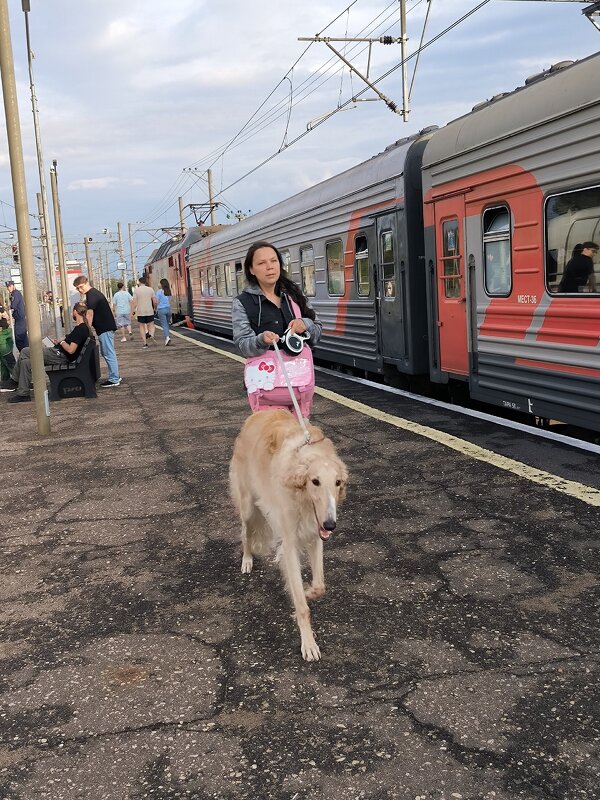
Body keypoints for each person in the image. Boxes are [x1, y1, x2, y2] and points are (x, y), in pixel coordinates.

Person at [232, 241, 322, 414]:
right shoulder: (242, 302)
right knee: (272, 438)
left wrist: (305, 324)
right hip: (267, 390)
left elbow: (317, 332)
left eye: (274, 261)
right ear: (251, 270)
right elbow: (242, 344)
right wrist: (261, 340)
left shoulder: (294, 295)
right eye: (261, 263)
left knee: (298, 438)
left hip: (299, 387)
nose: (269, 267)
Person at [1, 301, 91, 403]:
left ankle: (14, 381)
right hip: (59, 353)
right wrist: (59, 342)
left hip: (60, 356)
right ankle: (23, 394)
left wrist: (61, 342)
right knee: (26, 363)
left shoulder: (80, 329)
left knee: (25, 351)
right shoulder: (83, 328)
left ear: (75, 312)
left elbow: (71, 350)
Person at [73, 275, 121, 387]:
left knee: (108, 353)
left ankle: (114, 378)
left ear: (86, 282)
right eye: (78, 288)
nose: (80, 290)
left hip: (105, 328)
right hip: (105, 327)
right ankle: (115, 376)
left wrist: (87, 329)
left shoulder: (91, 295)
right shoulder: (93, 294)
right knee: (107, 352)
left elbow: (90, 314)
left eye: (81, 286)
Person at [131, 275, 157, 348]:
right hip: (149, 310)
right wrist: (155, 308)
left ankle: (145, 343)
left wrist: (132, 312)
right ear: (146, 282)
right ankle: (151, 335)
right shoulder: (150, 289)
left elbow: (134, 303)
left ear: (139, 282)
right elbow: (154, 301)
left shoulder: (136, 290)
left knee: (142, 326)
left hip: (140, 311)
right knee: (151, 324)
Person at [5, 280, 28, 351]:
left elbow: (13, 306)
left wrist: (6, 308)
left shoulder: (15, 294)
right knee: (23, 339)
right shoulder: (14, 294)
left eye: (10, 286)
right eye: (8, 287)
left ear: (13, 286)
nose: (9, 288)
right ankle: (27, 354)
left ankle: (24, 354)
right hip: (20, 319)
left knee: (19, 339)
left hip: (20, 319)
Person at [0, 303, 17, 386]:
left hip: (6, 331)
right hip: (1, 335)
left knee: (4, 361)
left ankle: (5, 381)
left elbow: (7, 317)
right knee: (8, 358)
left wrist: (5, 315)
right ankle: (18, 380)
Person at [155, 278, 173, 345]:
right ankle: (167, 336)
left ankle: (167, 338)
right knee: (166, 324)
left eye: (159, 283)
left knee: (164, 325)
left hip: (161, 310)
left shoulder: (159, 292)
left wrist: (155, 307)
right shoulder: (169, 291)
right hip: (168, 309)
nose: (158, 284)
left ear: (161, 284)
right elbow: (170, 300)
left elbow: (157, 301)